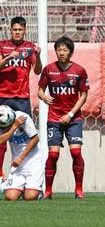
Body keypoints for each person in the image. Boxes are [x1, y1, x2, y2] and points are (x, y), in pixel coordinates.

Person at [0, 16, 42, 192]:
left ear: (25, 30)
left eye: (20, 30)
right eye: (15, 29)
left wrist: (39, 55)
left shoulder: (29, 48)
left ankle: (26, 175)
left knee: (27, 135)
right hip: (3, 97)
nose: (17, 32)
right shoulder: (1, 45)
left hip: (22, 98)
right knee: (0, 136)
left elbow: (38, 71)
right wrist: (8, 57)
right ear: (10, 30)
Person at [38, 36, 89, 199]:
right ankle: (48, 191)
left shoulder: (79, 71)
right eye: (59, 49)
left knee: (75, 152)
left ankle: (79, 190)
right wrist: (43, 97)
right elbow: (40, 89)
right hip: (54, 118)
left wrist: (70, 114)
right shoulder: (48, 69)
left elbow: (83, 96)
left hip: (73, 119)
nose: (61, 53)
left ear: (71, 52)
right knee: (53, 154)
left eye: (65, 50)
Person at [0, 105, 43, 201]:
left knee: (30, 197)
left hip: (34, 161)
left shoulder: (23, 117)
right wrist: (13, 127)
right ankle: (23, 189)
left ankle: (36, 190)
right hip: (17, 165)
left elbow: (35, 139)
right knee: (10, 197)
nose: (4, 129)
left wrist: (21, 157)